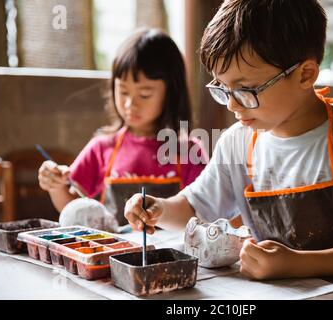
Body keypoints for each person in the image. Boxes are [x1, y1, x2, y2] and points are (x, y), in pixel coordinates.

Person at [123, 1, 333, 299]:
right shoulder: (238, 141)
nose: (232, 105)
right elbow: (195, 207)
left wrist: (294, 264)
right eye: (223, 88)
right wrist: (157, 209)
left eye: (246, 89)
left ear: (305, 75)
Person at [38, 28, 207, 226]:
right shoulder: (102, 147)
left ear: (171, 93)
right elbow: (72, 204)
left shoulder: (188, 151)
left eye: (144, 95)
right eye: (123, 91)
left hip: (172, 255)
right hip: (110, 254)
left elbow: (204, 209)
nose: (129, 104)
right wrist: (55, 185)